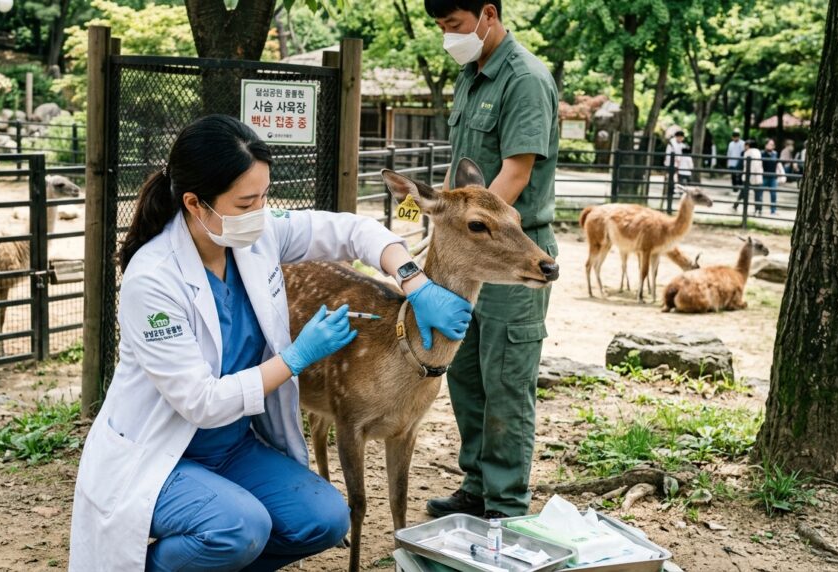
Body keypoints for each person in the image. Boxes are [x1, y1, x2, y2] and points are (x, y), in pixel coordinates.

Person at [68, 115, 474, 571]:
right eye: (246, 202)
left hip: (232, 446)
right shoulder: (154, 279)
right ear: (195, 204)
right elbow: (201, 403)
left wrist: (412, 281)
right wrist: (298, 357)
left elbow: (352, 232)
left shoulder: (254, 234)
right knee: (239, 528)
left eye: (265, 196)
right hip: (161, 454)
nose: (261, 213)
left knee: (323, 519)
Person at [422, 0, 559, 520]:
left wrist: (472, 233)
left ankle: (505, 505)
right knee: (465, 376)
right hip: (465, 255)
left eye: (453, 25)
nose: (447, 36)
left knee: (505, 380)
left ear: (486, 14)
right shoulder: (469, 75)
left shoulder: (524, 79)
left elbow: (516, 175)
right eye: (440, 28)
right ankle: (476, 486)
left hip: (510, 253)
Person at [734, 139, 764, 214]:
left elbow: (745, 164)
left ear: (748, 145)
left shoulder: (747, 152)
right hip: (757, 175)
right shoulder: (758, 152)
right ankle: (758, 209)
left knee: (743, 192)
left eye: (745, 145)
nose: (744, 147)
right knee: (758, 194)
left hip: (748, 175)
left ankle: (736, 205)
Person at [761, 138, 780, 215]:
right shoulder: (762, 153)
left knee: (773, 193)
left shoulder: (775, 154)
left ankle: (773, 210)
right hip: (764, 176)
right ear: (766, 145)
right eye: (769, 144)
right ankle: (759, 209)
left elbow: (777, 164)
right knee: (760, 193)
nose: (771, 146)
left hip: (773, 176)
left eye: (772, 144)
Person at [727, 129, 745, 196]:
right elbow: (729, 153)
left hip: (739, 162)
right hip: (732, 162)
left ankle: (739, 187)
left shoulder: (742, 143)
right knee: (733, 176)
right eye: (734, 137)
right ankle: (734, 188)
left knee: (740, 175)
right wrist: (728, 162)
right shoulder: (730, 144)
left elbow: (742, 153)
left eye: (736, 137)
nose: (735, 138)